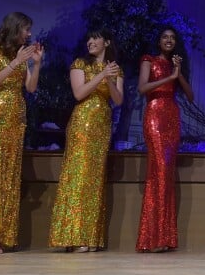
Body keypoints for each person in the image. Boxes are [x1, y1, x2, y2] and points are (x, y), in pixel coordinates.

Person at [48, 28, 123, 253]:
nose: (90, 42)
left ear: (106, 42)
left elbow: (118, 100)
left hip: (102, 124)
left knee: (94, 178)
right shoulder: (80, 64)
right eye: (88, 38)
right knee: (78, 176)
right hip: (83, 122)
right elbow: (79, 94)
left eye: (95, 38)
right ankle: (72, 235)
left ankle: (90, 237)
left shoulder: (115, 68)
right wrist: (101, 75)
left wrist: (110, 79)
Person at [0, 12, 43, 254]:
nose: (29, 34)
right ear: (15, 28)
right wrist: (15, 62)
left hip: (16, 117)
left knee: (9, 175)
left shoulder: (21, 54)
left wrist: (36, 63)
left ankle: (1, 237)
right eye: (26, 29)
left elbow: (30, 88)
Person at [135, 26, 194, 253]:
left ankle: (164, 236)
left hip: (172, 116)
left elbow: (190, 96)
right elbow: (142, 88)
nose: (169, 40)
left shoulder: (175, 65)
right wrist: (168, 77)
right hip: (155, 115)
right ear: (158, 40)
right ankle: (153, 238)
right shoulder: (149, 60)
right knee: (158, 171)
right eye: (165, 37)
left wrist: (177, 75)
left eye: (172, 38)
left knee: (166, 174)